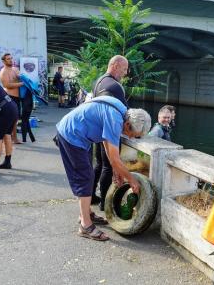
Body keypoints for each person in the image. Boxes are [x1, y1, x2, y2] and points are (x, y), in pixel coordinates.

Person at [56, 95, 151, 241]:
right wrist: (131, 180)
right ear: (127, 125)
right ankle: (85, 226)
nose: (131, 138)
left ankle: (85, 213)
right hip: (72, 135)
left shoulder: (121, 112)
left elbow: (107, 143)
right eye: (133, 134)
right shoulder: (115, 120)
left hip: (80, 135)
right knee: (85, 178)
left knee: (88, 176)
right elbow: (114, 157)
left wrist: (116, 169)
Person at [92, 55, 129, 210]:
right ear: (115, 65)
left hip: (97, 130)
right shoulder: (116, 86)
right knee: (108, 166)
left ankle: (92, 195)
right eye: (124, 69)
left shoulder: (98, 82)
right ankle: (105, 205)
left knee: (99, 164)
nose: (126, 73)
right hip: (109, 129)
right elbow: (125, 114)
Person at [0, 53, 23, 144]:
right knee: (9, 119)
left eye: (11, 58)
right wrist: (20, 84)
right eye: (8, 59)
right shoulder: (3, 72)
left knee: (16, 119)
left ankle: (14, 138)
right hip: (9, 97)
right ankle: (6, 138)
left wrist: (22, 78)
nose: (11, 60)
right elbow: (6, 85)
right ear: (4, 61)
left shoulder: (15, 69)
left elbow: (22, 78)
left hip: (18, 98)